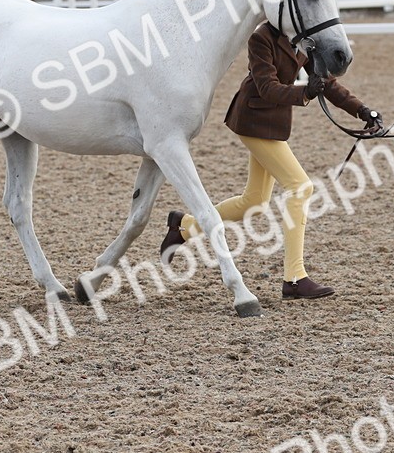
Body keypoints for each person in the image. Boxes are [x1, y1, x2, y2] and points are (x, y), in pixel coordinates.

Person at [159, 21, 382, 300]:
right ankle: (295, 278)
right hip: (252, 119)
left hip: (273, 125)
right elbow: (267, 87)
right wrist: (305, 93)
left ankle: (185, 227)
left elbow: (328, 84)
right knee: (301, 187)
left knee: (253, 202)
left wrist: (363, 111)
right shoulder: (261, 39)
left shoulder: (304, 40)